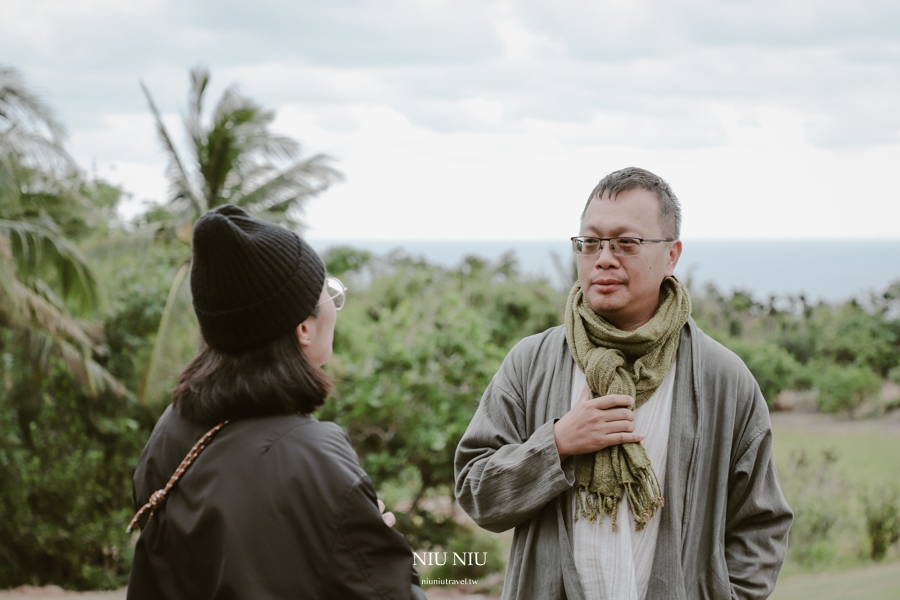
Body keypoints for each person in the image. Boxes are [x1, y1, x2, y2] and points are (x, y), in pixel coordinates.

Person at [454, 167, 792, 600]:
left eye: (626, 243)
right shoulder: (530, 363)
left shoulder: (722, 378)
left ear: (672, 255)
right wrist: (556, 444)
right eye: (590, 242)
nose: (604, 258)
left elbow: (761, 523)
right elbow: (475, 492)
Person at [128, 204, 426, 600]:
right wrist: (373, 538)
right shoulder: (314, 458)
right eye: (329, 295)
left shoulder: (171, 429)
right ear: (303, 328)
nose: (335, 308)